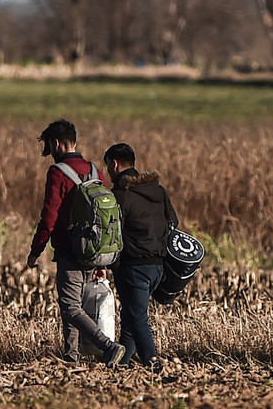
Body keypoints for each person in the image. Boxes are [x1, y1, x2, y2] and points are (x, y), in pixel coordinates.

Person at [27, 119, 126, 367]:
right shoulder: (95, 171)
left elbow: (49, 216)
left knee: (70, 305)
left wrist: (35, 249)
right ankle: (70, 355)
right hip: (93, 249)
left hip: (70, 249)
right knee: (71, 303)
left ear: (56, 143)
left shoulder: (57, 173)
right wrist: (101, 258)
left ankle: (108, 346)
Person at [103, 142, 178, 373]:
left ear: (114, 164)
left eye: (108, 167)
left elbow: (112, 234)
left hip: (134, 265)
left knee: (137, 317)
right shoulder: (159, 191)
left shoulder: (120, 195)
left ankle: (153, 362)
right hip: (158, 265)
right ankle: (123, 361)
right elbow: (173, 222)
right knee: (130, 313)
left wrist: (109, 263)